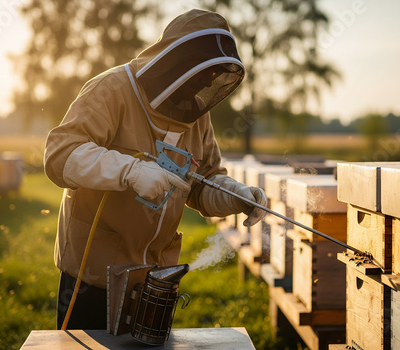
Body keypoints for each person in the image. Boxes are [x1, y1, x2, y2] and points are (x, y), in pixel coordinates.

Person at [44, 8, 267, 330]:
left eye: (213, 75)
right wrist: (129, 171)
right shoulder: (110, 89)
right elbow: (60, 155)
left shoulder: (196, 115)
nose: (207, 81)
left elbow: (204, 181)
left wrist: (235, 195)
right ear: (176, 61)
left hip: (156, 274)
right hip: (93, 271)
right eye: (202, 72)